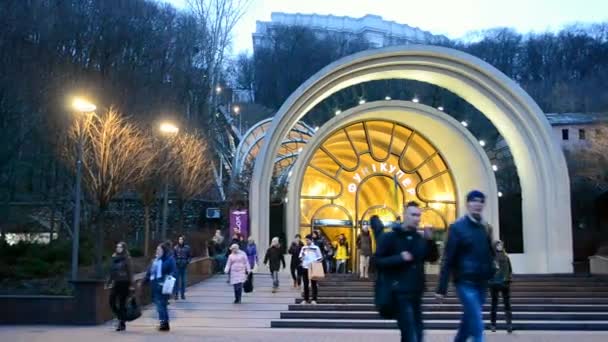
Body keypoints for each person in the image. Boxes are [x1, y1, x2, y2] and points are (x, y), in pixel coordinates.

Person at [436, 190, 496, 342]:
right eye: (474, 201)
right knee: (476, 320)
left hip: (481, 282)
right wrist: (441, 288)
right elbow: (448, 258)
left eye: (481, 201)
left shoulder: (485, 228)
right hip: (464, 282)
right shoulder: (457, 228)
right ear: (467, 204)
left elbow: (489, 253)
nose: (478, 204)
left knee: (468, 319)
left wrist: (492, 272)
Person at [375, 202, 439, 342]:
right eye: (413, 215)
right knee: (411, 334)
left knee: (417, 333)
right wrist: (399, 258)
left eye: (418, 215)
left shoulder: (420, 239)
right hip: (398, 293)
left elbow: (432, 258)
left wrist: (430, 241)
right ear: (404, 215)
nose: (417, 218)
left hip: (416, 292)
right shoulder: (390, 237)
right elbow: (377, 262)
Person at [143, 243, 177, 332]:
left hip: (163, 285)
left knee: (160, 305)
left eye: (159, 250)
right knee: (162, 305)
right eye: (157, 250)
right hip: (154, 285)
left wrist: (167, 279)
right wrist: (144, 281)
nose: (157, 251)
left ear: (164, 251)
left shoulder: (169, 260)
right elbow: (149, 272)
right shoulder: (155, 260)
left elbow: (173, 271)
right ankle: (165, 323)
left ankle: (163, 323)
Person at [107, 241, 134, 332]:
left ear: (124, 248)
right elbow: (111, 271)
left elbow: (130, 272)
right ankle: (121, 317)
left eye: (120, 247)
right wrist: (108, 282)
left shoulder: (127, 258)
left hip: (124, 283)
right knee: (112, 301)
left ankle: (121, 323)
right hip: (116, 283)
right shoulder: (114, 258)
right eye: (117, 247)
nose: (118, 248)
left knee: (122, 303)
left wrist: (132, 285)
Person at [489, 240, 513, 333]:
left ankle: (509, 325)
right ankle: (493, 324)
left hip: (504, 283)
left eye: (501, 245)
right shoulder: (491, 257)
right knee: (494, 304)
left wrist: (508, 278)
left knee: (507, 305)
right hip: (494, 284)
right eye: (498, 245)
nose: (500, 246)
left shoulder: (506, 256)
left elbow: (510, 269)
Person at [299, 234, 323, 304]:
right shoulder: (303, 248)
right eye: (306, 240)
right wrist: (302, 256)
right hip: (305, 267)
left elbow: (320, 257)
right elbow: (300, 257)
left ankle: (314, 299)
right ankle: (305, 299)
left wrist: (315, 261)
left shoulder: (316, 248)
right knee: (305, 284)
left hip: (313, 267)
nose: (307, 241)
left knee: (313, 284)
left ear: (311, 240)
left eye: (308, 240)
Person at [173, 235, 191, 300]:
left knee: (183, 281)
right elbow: (174, 256)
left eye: (181, 239)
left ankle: (182, 294)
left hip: (184, 266)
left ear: (183, 240)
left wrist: (187, 261)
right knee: (176, 281)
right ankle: (176, 294)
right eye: (179, 239)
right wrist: (176, 262)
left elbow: (189, 256)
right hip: (177, 266)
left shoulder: (187, 248)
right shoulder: (175, 247)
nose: (180, 241)